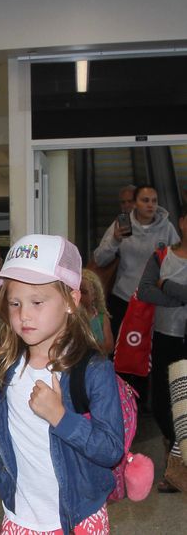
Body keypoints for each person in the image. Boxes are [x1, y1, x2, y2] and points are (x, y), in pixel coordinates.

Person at [0, 234, 124, 534]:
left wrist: (60, 417)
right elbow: (3, 425)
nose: (24, 315)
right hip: (19, 516)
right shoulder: (6, 363)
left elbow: (111, 449)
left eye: (37, 302)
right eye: (14, 303)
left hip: (79, 518)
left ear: (72, 301)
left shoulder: (94, 371)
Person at [94, 185, 179, 401]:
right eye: (145, 200)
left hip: (153, 302)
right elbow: (100, 259)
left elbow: (178, 260)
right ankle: (119, 398)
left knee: (149, 352)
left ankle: (146, 402)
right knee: (119, 352)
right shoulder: (121, 225)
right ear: (135, 203)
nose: (150, 205)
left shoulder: (166, 228)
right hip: (123, 298)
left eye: (154, 200)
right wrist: (115, 239)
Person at [137, 204, 187, 493]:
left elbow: (159, 286)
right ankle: (178, 453)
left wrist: (167, 284)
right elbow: (144, 289)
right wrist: (178, 300)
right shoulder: (161, 255)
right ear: (181, 221)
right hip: (165, 337)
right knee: (161, 404)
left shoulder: (165, 272)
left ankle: (176, 469)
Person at [80, 268, 114, 354]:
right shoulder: (70, 315)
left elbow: (110, 347)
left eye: (83, 292)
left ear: (94, 295)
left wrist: (93, 345)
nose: (79, 295)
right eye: (76, 290)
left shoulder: (101, 318)